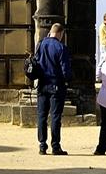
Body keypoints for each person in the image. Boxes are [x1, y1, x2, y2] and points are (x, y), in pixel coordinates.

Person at [34, 23, 72, 155]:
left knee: (41, 116)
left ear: (51, 32)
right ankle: (55, 146)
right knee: (55, 116)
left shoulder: (41, 44)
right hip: (56, 85)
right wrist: (68, 80)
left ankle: (42, 145)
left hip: (42, 84)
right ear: (61, 33)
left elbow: (36, 62)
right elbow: (65, 70)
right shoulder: (61, 47)